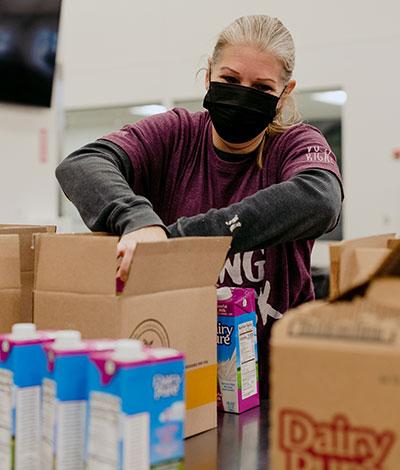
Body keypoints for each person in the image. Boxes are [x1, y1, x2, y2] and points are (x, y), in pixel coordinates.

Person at [56, 15, 343, 397]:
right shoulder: (176, 134)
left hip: (279, 383)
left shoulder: (294, 143)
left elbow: (320, 197)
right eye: (229, 80)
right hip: (175, 373)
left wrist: (178, 240)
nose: (242, 94)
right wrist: (138, 220)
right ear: (208, 76)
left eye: (262, 87)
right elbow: (82, 164)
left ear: (284, 93)